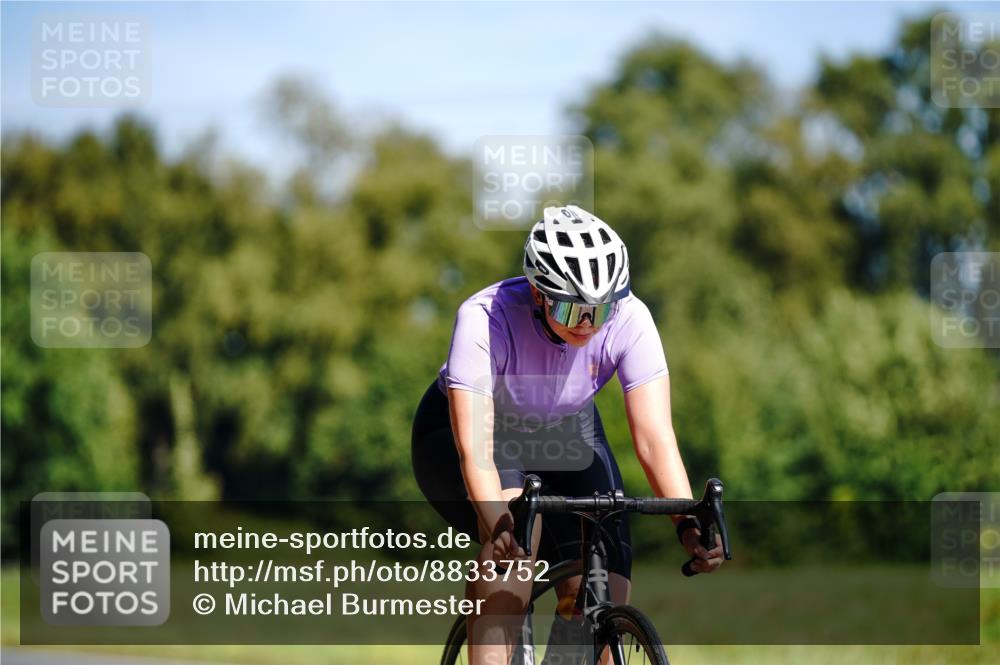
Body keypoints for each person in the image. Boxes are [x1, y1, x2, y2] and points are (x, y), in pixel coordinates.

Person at [411, 205, 723, 664]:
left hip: (567, 426)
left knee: (605, 576)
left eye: (600, 310)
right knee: (515, 548)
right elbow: (476, 451)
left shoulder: (631, 318)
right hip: (476, 433)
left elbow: (655, 438)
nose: (587, 323)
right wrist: (497, 522)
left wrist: (688, 522)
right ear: (538, 295)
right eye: (570, 307)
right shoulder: (484, 318)